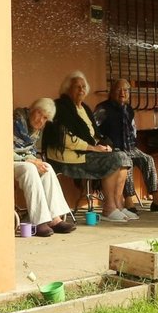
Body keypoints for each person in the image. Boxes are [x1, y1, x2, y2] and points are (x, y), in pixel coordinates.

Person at [43, 70, 133, 223]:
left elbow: (94, 135)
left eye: (83, 87)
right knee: (115, 159)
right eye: (77, 87)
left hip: (85, 153)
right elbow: (64, 139)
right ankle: (109, 208)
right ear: (67, 89)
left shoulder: (84, 108)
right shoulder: (60, 108)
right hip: (67, 157)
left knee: (123, 157)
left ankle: (118, 204)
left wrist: (104, 146)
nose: (81, 90)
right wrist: (93, 148)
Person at [93, 79, 158, 212]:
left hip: (129, 147)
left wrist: (132, 142)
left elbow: (133, 129)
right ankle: (128, 199)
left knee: (148, 159)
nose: (122, 93)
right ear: (112, 91)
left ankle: (156, 199)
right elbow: (93, 129)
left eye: (126, 90)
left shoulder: (128, 109)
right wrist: (103, 144)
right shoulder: (103, 108)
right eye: (119, 90)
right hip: (113, 148)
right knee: (126, 161)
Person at [12, 99, 76, 235]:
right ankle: (39, 221)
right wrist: (28, 160)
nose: (41, 120)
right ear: (32, 109)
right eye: (39, 114)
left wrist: (35, 160)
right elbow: (3, 147)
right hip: (8, 159)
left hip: (25, 160)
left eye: (45, 118)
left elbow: (30, 150)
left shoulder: (36, 130)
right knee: (29, 169)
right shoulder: (16, 120)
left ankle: (55, 218)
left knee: (46, 167)